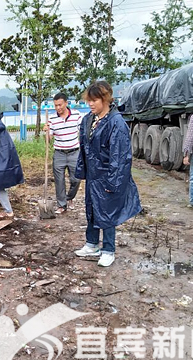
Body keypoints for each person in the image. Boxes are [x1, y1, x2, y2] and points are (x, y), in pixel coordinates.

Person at [74, 81, 142, 267]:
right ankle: (92, 243)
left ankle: (108, 249)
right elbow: (84, 147)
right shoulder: (89, 119)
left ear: (105, 99)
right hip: (93, 175)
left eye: (94, 100)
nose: (91, 104)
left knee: (107, 213)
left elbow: (120, 156)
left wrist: (114, 182)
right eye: (89, 100)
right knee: (92, 209)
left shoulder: (116, 123)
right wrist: (82, 171)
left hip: (107, 175)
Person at [42, 92, 83, 214]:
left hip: (74, 152)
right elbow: (48, 139)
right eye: (55, 105)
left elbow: (83, 131)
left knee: (76, 179)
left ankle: (69, 197)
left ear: (66, 103)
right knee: (59, 180)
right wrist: (47, 132)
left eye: (60, 105)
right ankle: (62, 205)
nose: (58, 108)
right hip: (59, 152)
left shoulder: (76, 115)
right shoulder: (52, 119)